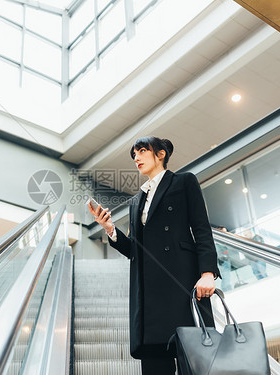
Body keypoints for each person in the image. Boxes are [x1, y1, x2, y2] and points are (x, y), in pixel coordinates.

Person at [87, 136, 219, 375]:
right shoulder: (136, 200)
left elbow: (201, 229)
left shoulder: (183, 182)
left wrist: (207, 273)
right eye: (133, 155)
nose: (136, 158)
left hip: (182, 284)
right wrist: (109, 228)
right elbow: (135, 250)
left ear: (160, 154)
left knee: (196, 362)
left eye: (142, 151)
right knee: (156, 366)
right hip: (149, 296)